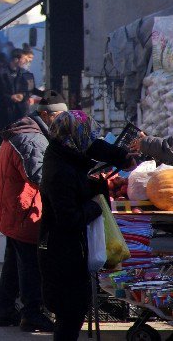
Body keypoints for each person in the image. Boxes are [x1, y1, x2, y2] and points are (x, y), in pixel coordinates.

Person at [38, 110, 130, 340]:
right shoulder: (60, 171)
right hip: (62, 253)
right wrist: (96, 205)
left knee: (71, 315)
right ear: (75, 136)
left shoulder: (64, 152)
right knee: (70, 316)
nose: (89, 140)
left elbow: (94, 147)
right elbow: (69, 218)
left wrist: (123, 156)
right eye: (86, 134)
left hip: (67, 249)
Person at [0, 91, 68, 332]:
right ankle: (32, 312)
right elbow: (40, 177)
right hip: (24, 211)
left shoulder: (26, 131)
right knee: (30, 264)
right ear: (45, 114)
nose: (62, 122)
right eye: (59, 117)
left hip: (14, 209)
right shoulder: (31, 139)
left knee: (14, 262)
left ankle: (4, 310)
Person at [0, 49, 36, 124]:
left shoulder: (26, 73)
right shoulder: (1, 73)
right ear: (16, 59)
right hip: (5, 111)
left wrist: (23, 96)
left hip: (22, 111)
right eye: (23, 58)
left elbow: (31, 90)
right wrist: (10, 97)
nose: (25, 61)